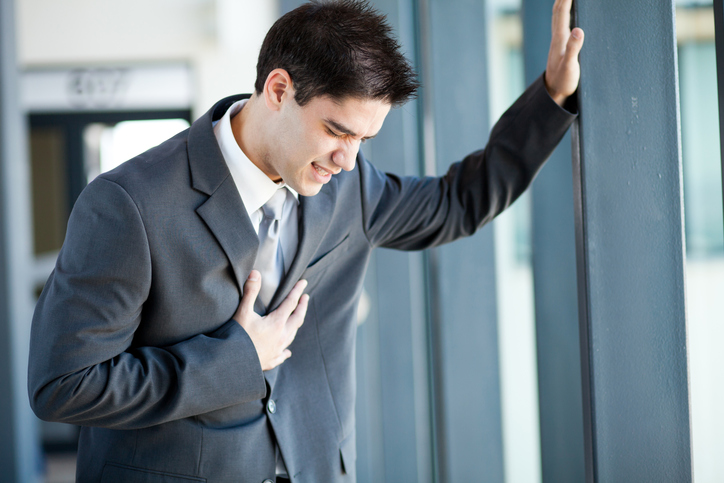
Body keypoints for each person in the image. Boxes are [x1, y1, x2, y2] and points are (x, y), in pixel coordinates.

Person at [28, 0, 584, 481]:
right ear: (278, 89)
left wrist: (552, 98)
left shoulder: (351, 188)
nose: (348, 160)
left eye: (364, 139)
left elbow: (459, 203)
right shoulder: (128, 205)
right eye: (337, 131)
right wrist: (236, 359)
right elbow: (64, 384)